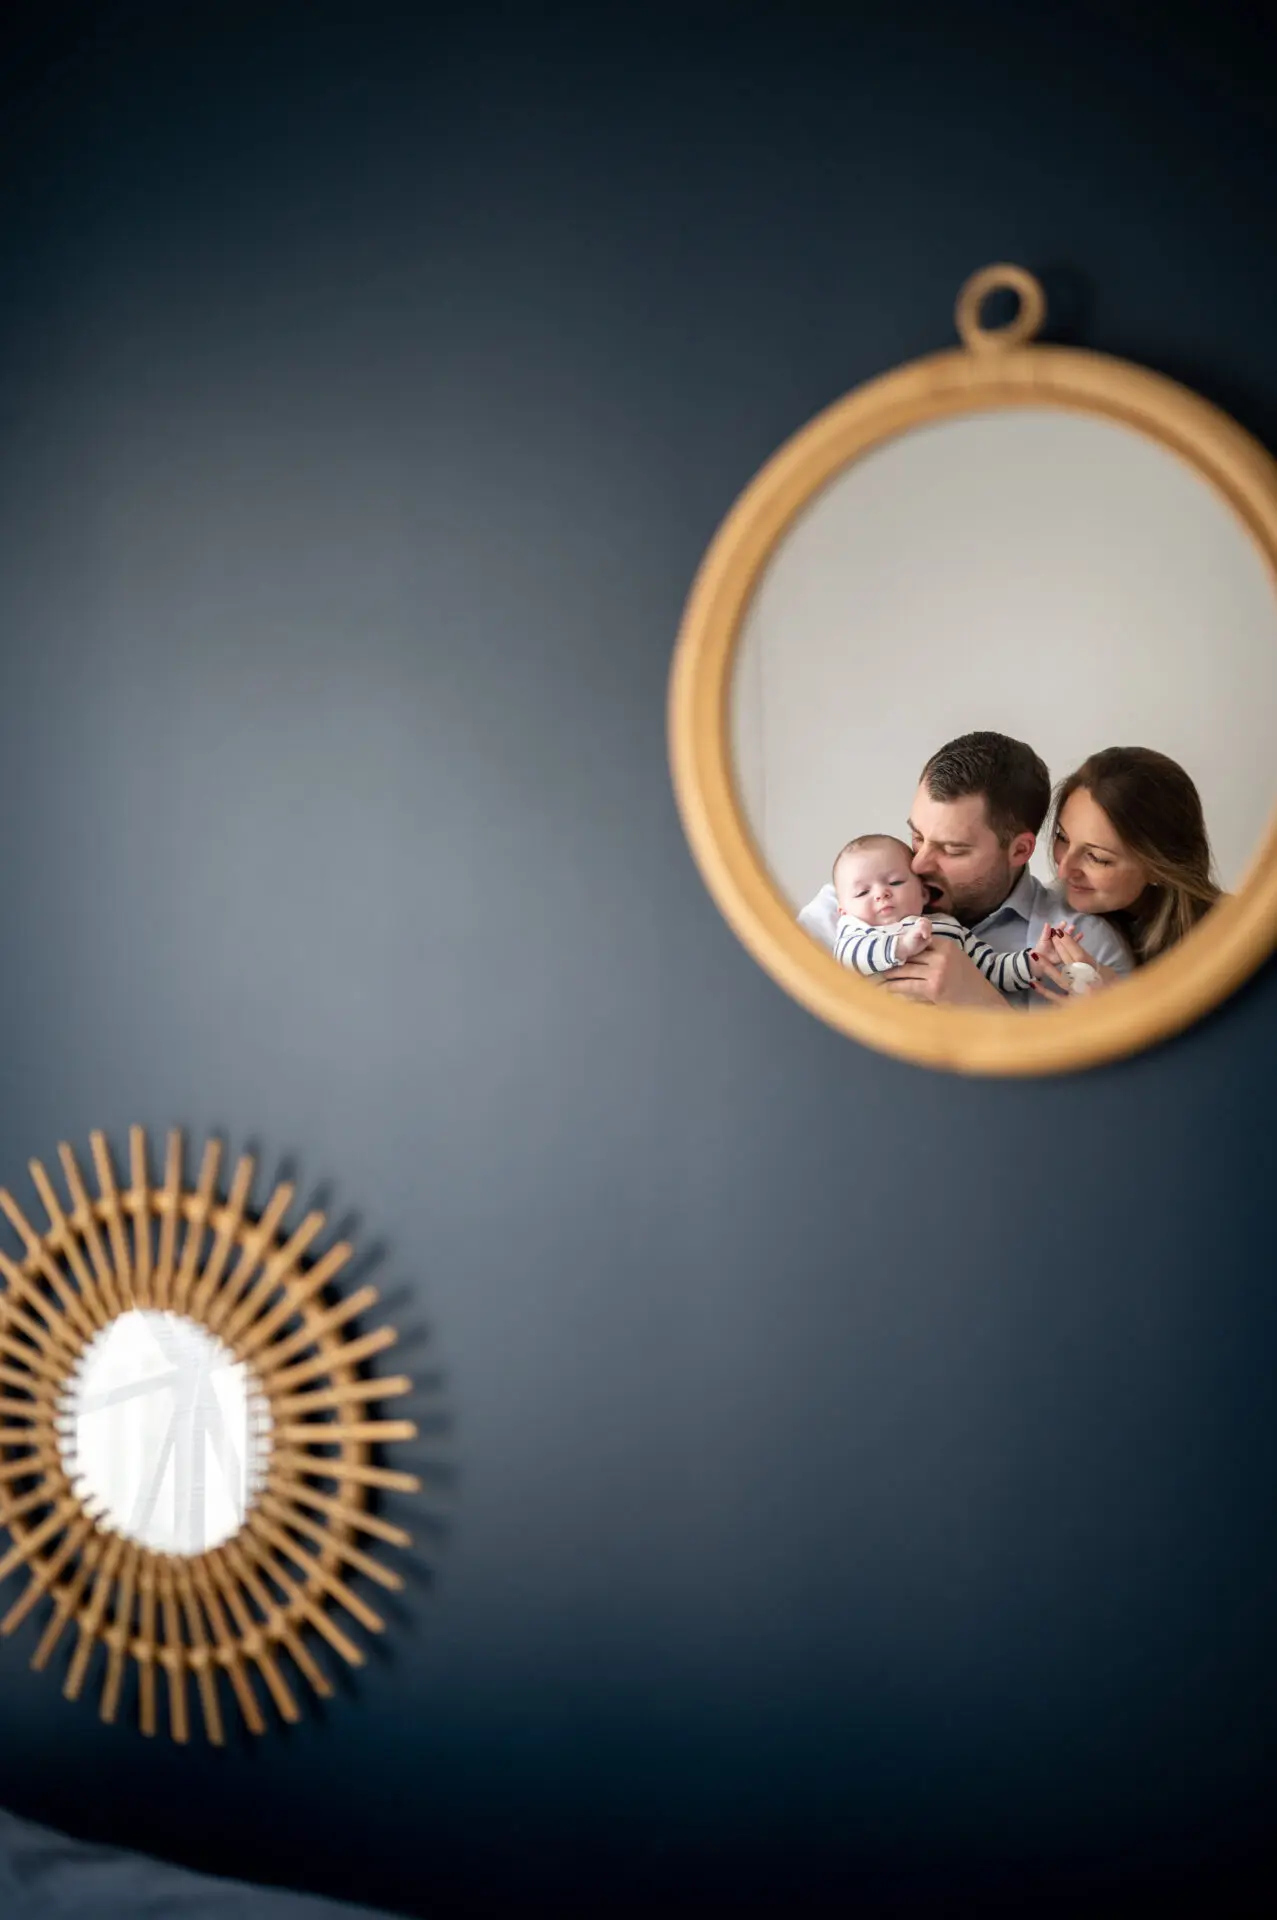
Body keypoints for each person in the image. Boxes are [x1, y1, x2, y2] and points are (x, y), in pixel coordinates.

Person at [797, 731, 1132, 1007]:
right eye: (917, 836)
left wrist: (986, 1007)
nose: (918, 863)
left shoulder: (1085, 951)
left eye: (952, 849)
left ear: (1019, 850)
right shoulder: (849, 906)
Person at [1030, 746, 1221, 998]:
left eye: (1097, 858)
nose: (1064, 870)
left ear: (1160, 868)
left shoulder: (1236, 942)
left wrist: (1124, 1007)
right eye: (1062, 837)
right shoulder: (1053, 916)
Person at [830, 833, 1046, 995]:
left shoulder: (948, 927)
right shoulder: (856, 932)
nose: (881, 893)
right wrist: (900, 947)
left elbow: (991, 968)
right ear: (844, 911)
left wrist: (1034, 961)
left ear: (924, 893)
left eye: (895, 882)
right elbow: (848, 957)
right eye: (862, 892)